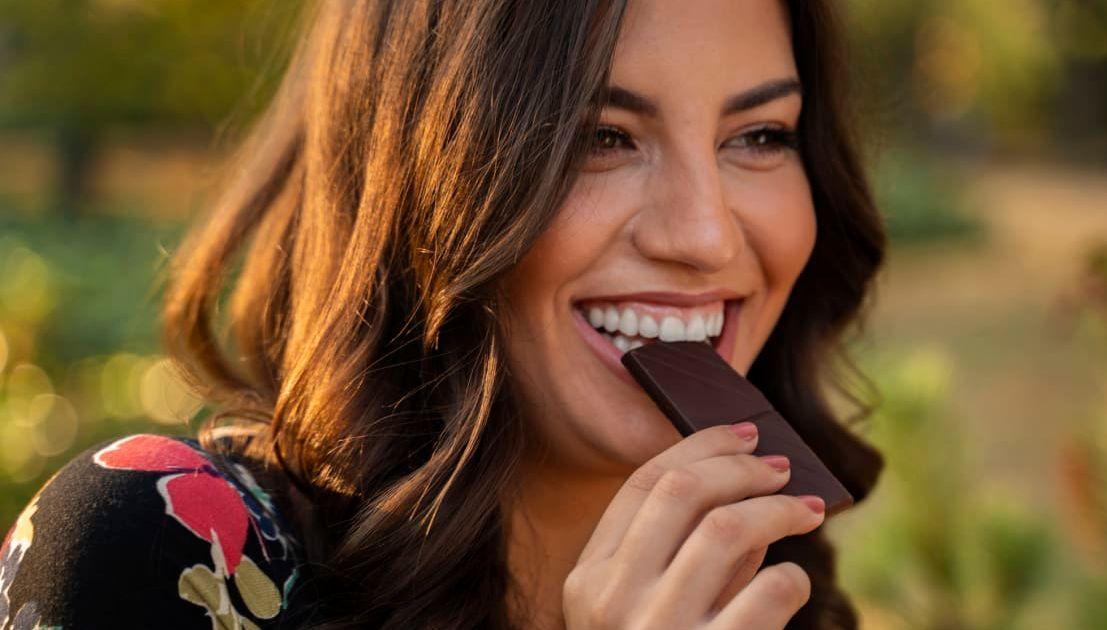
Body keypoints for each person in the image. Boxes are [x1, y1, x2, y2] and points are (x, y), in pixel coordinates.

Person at [0, 0, 886, 627]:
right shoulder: (162, 555)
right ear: (418, 179)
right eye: (598, 139)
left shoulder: (771, 586)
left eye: (759, 136)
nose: (702, 235)